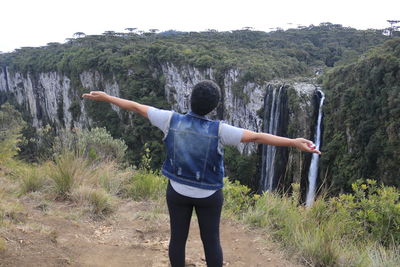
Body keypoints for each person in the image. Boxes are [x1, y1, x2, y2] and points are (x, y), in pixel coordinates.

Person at [82, 80, 320, 267]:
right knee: (211, 240)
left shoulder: (169, 120)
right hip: (209, 195)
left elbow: (135, 107)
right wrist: (293, 142)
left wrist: (105, 97)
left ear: (191, 99)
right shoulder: (221, 130)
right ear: (214, 107)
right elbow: (257, 137)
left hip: (177, 191)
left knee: (178, 238)